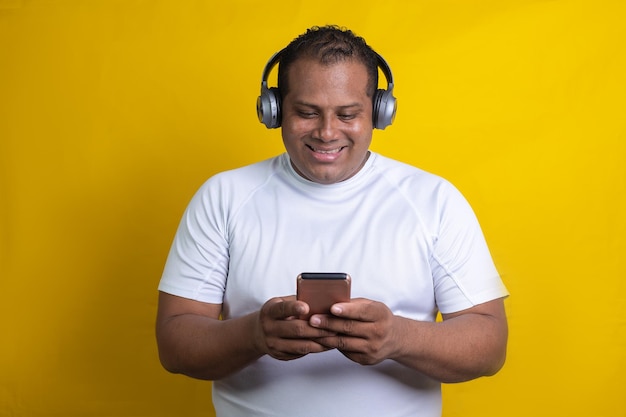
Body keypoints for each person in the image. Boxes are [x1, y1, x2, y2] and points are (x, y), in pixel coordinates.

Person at [156, 25, 509, 417]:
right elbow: (174, 343)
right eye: (307, 113)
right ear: (273, 110)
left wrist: (397, 338)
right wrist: (255, 334)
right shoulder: (223, 197)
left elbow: (490, 344)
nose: (326, 133)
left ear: (378, 112)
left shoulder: (433, 200)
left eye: (347, 114)